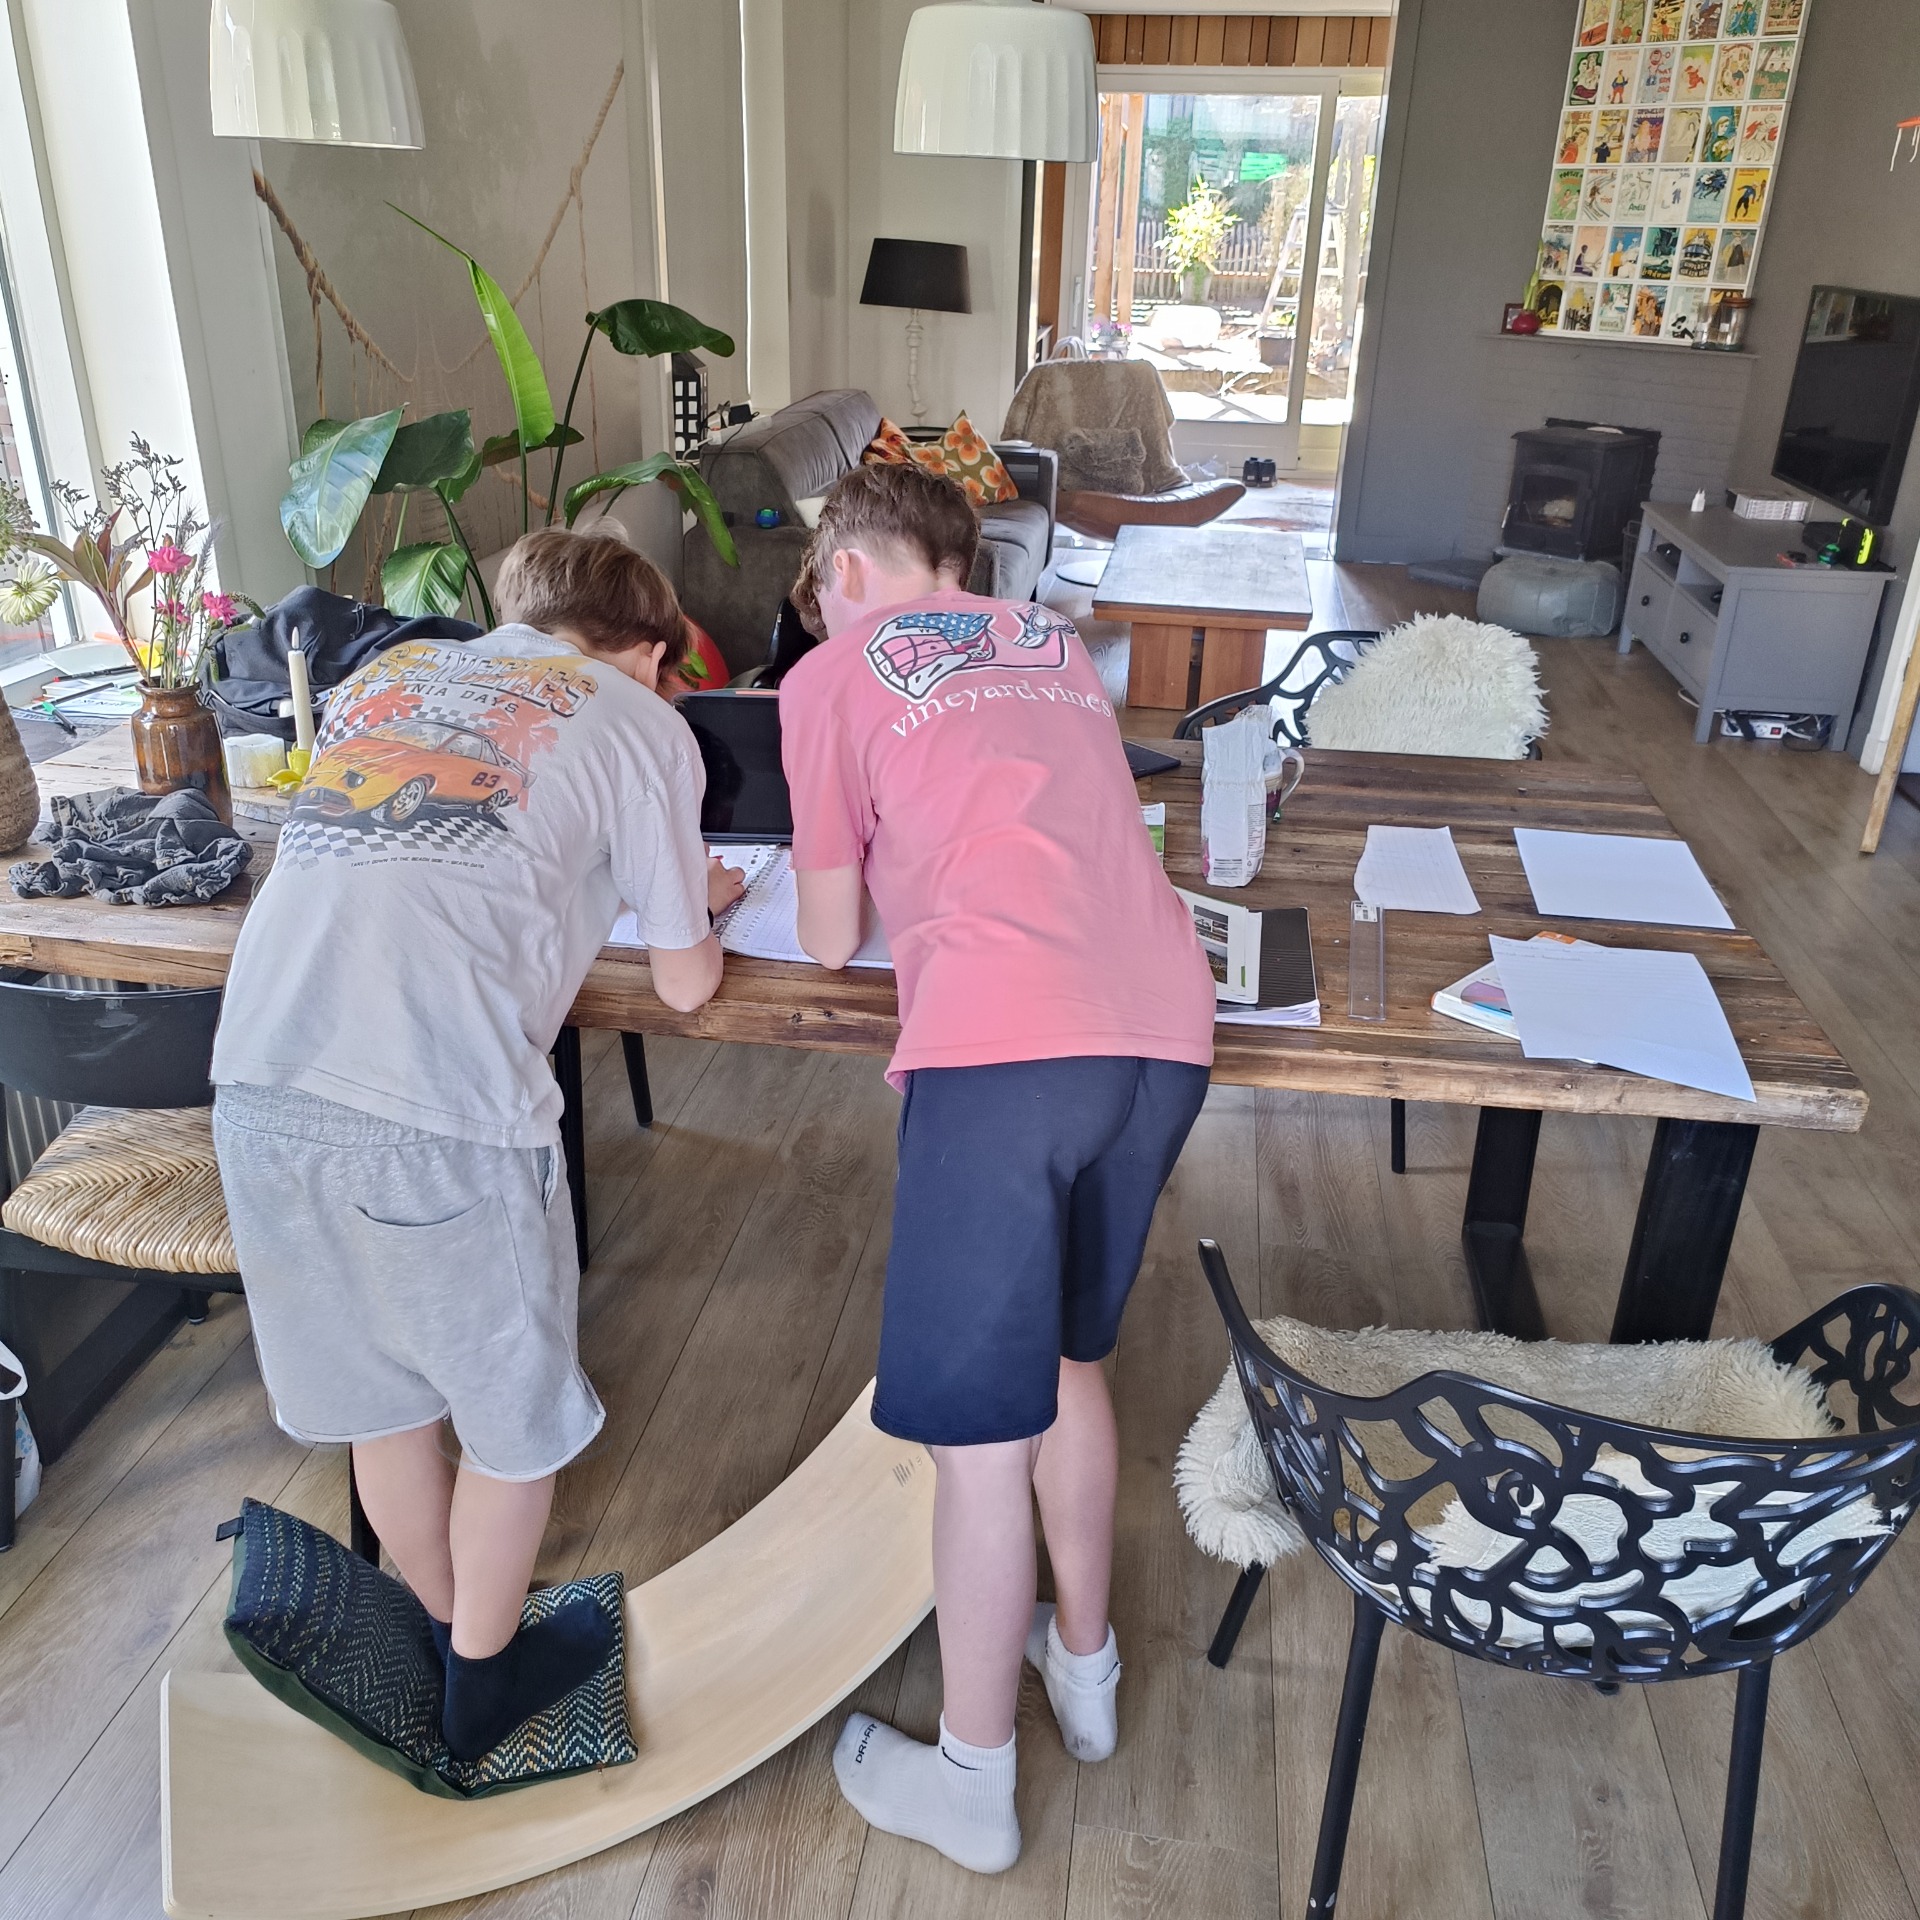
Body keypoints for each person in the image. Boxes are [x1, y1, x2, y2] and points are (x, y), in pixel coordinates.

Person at [211, 527, 743, 1762]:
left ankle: (459, 1638)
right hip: (437, 1111)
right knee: (512, 1423)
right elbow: (682, 981)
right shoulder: (638, 717)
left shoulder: (389, 676)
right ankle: (488, 1682)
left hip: (258, 1085)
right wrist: (703, 901)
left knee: (384, 1408)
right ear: (650, 652)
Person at [779, 463, 1216, 1873]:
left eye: (818, 582)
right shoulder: (1052, 642)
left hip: (1005, 1048)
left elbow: (829, 934)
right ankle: (1083, 1668)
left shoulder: (831, 671)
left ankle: (973, 1781)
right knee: (1071, 1363)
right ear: (959, 563)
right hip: (1162, 1033)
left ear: (846, 570)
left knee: (978, 1446)